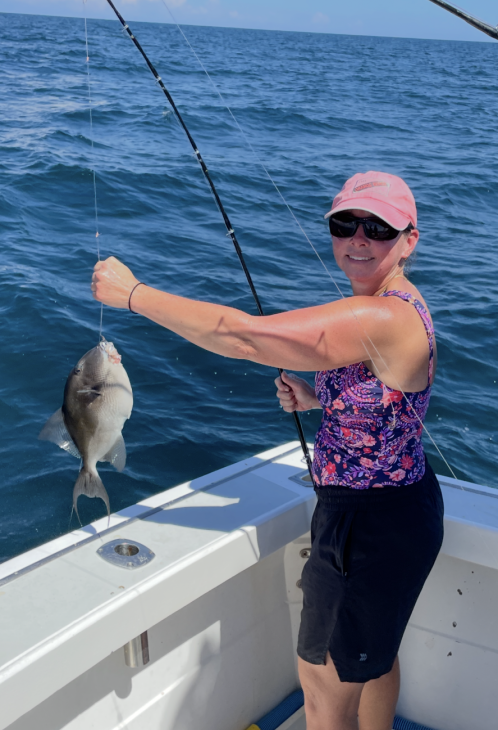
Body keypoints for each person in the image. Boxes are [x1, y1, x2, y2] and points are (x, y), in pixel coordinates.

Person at [91, 170, 444, 730]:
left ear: (409, 239)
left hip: (369, 529)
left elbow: (243, 336)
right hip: (397, 508)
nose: (358, 238)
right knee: (372, 661)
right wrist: (316, 396)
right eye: (344, 223)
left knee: (324, 691)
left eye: (377, 227)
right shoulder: (388, 303)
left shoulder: (386, 316)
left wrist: (134, 295)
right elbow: (384, 399)